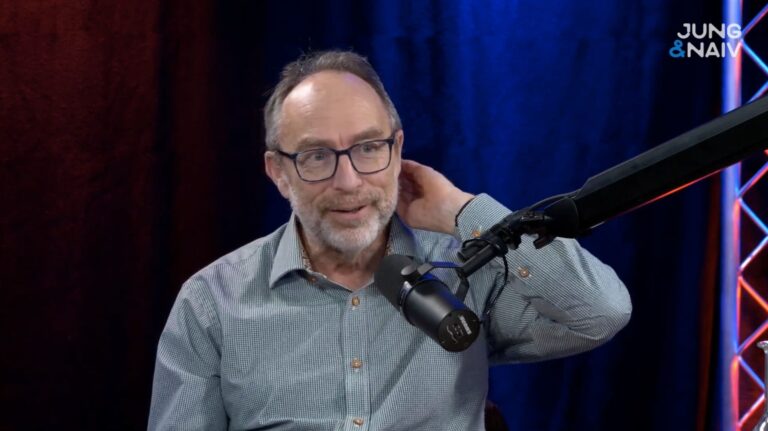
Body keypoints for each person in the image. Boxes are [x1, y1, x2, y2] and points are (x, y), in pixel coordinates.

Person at [148, 50, 632, 430]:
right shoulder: (211, 303)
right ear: (278, 172)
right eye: (317, 156)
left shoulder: (467, 268)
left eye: (368, 148)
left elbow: (601, 312)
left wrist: (465, 211)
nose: (349, 181)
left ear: (397, 151)